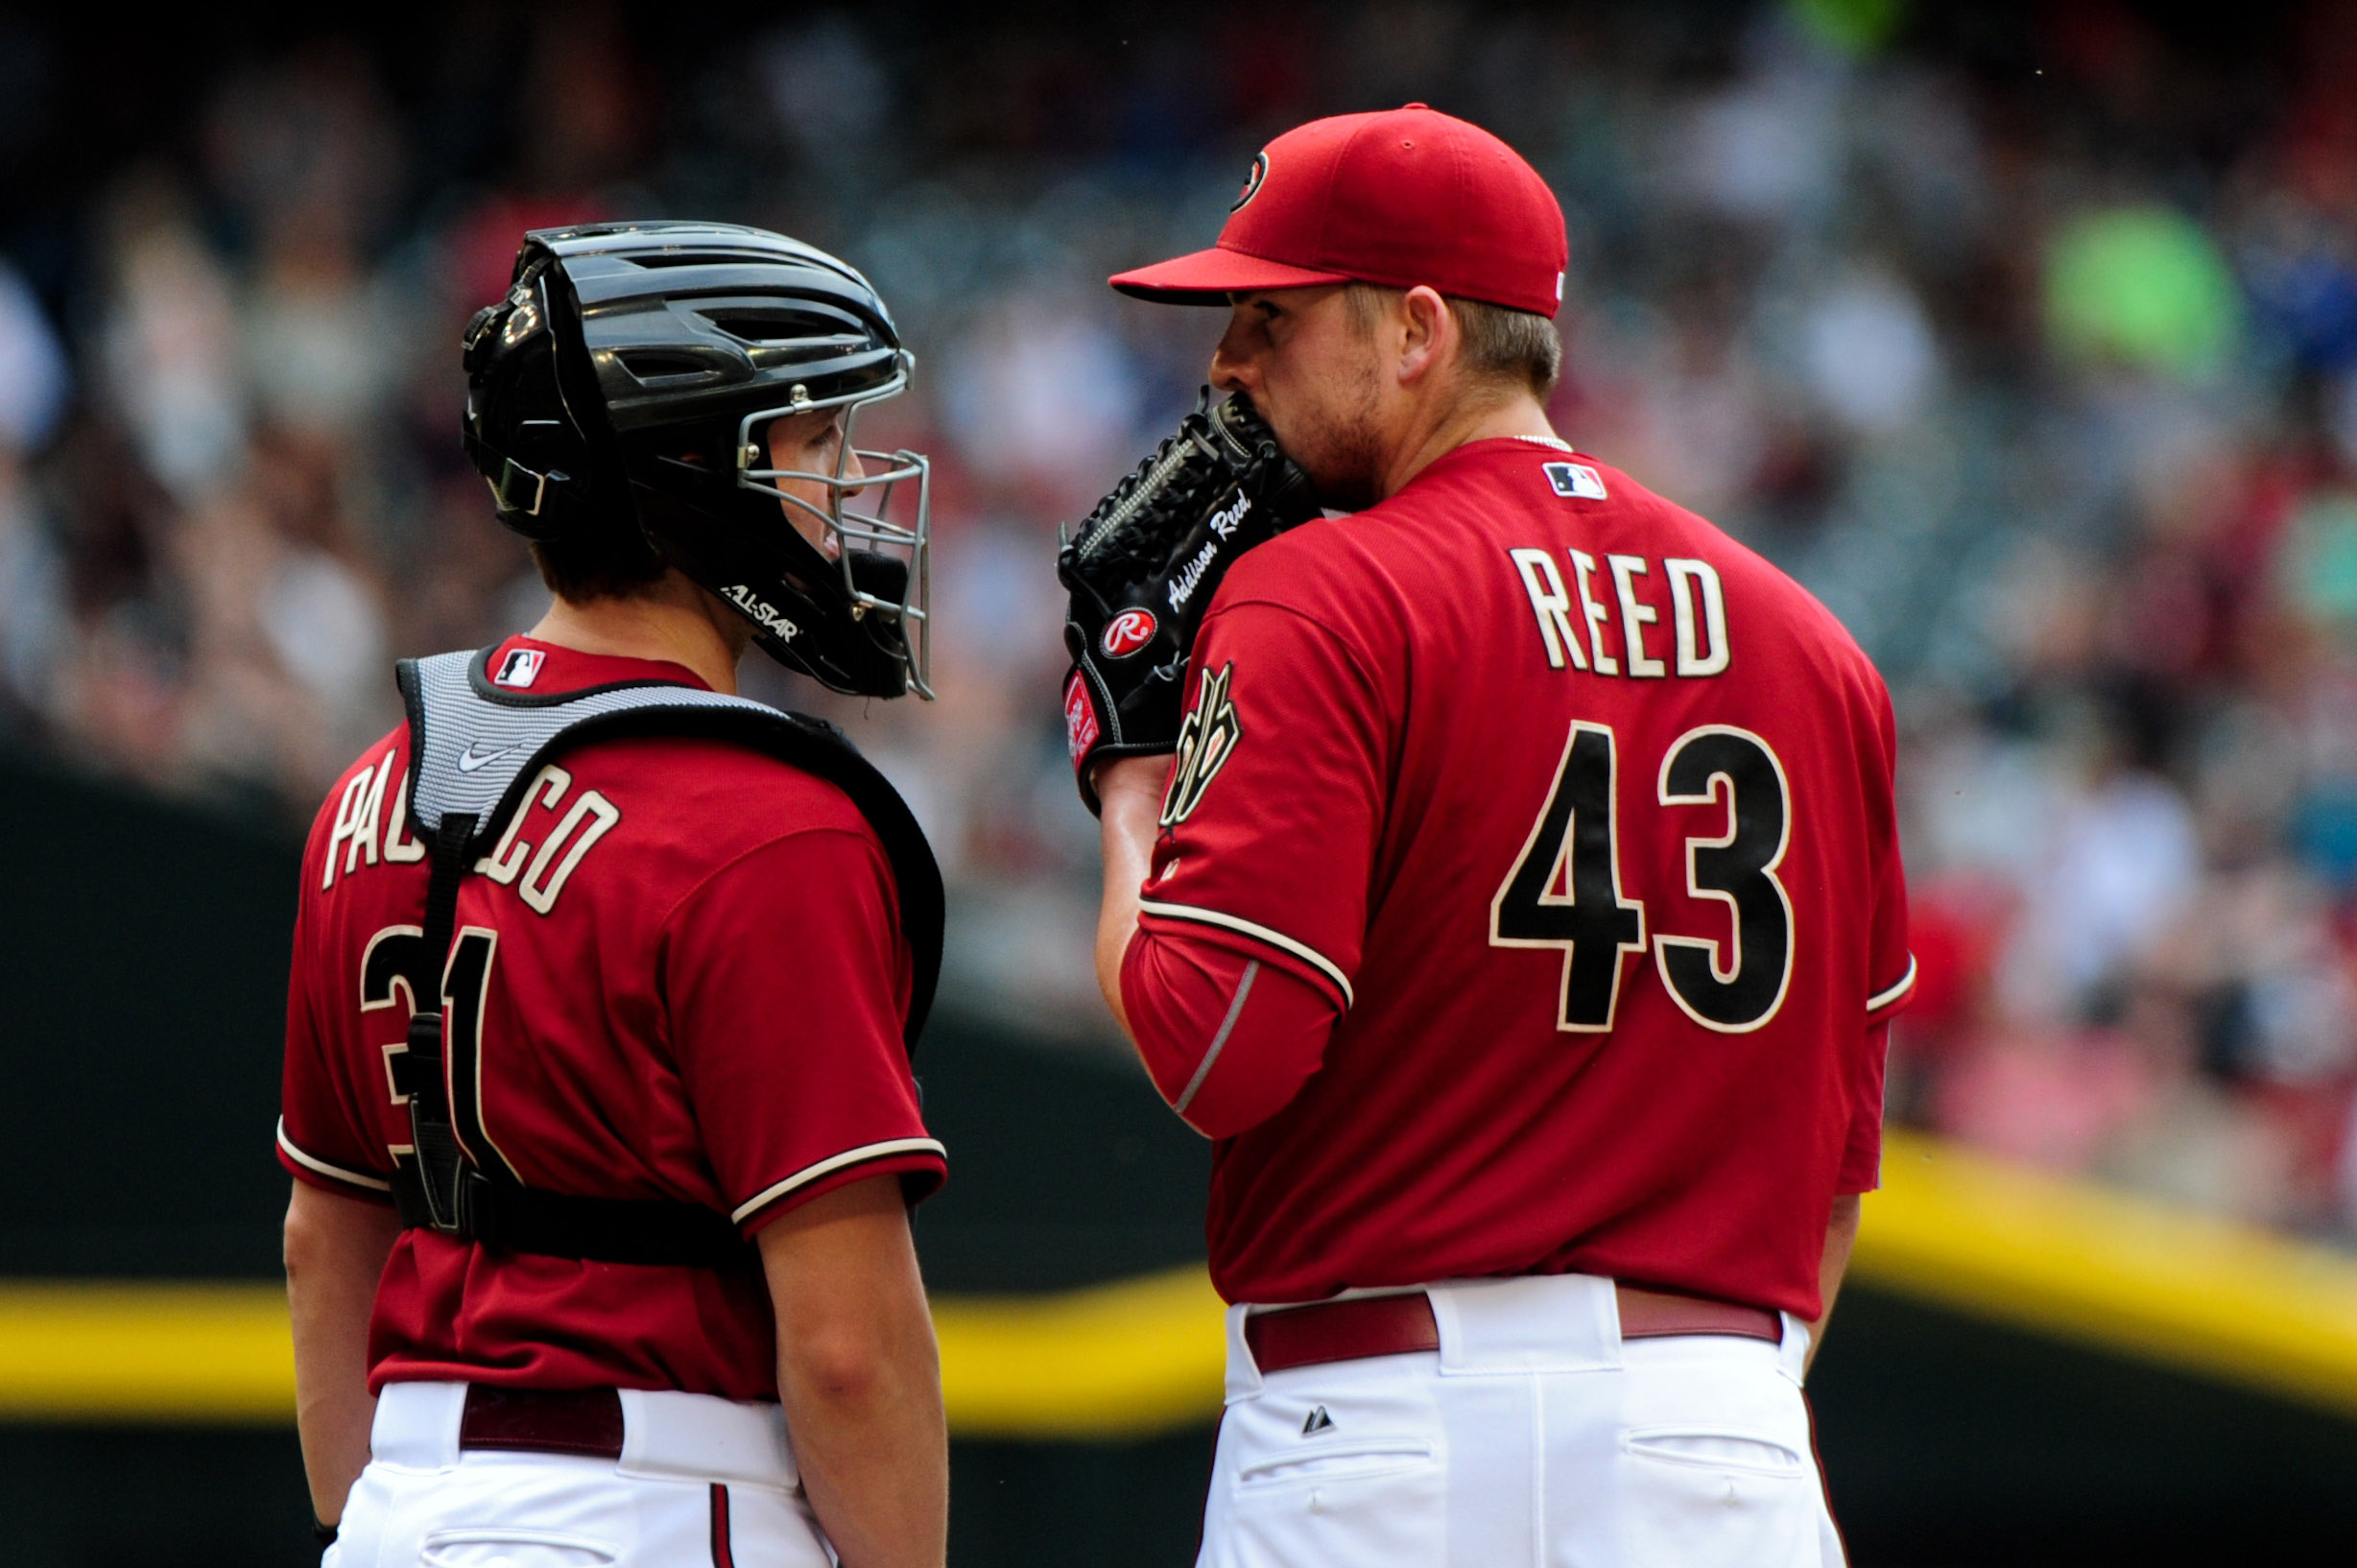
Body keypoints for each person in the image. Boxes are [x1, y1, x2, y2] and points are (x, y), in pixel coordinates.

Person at [1078, 107, 1913, 1565]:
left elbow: (1213, 1053)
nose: (1226, 364)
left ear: (1413, 331)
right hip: (1721, 1440)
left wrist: (1134, 780)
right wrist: (1701, 1409)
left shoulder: (1323, 598)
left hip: (1382, 1432)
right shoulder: (1815, 645)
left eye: (1267, 318)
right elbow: (1840, 1164)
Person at [277, 222, 949, 1568]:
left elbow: (320, 1238)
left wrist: (384, 1517)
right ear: (691, 469)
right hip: (652, 1498)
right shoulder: (767, 821)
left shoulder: (370, 787)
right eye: (808, 439)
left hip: (400, 1504)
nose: (845, 481)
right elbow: (846, 1346)